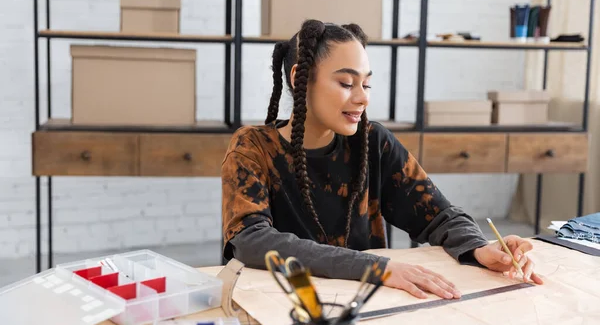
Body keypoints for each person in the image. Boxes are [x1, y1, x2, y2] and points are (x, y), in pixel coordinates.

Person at [221, 19, 543, 300]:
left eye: (367, 83)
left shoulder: (372, 142)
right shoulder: (252, 148)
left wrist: (479, 248)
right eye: (346, 83)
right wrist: (376, 268)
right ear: (299, 78)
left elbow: (438, 215)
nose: (362, 97)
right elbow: (251, 241)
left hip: (368, 306)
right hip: (287, 308)